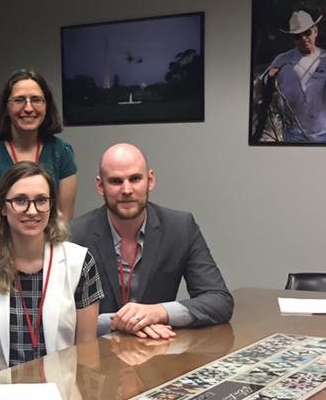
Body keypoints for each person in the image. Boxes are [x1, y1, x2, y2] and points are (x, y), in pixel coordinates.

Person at [69, 143, 234, 340]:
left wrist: (159, 312)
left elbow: (219, 300)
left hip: (157, 350)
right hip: (97, 354)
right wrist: (115, 322)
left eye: (135, 179)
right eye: (115, 181)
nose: (127, 190)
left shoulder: (180, 228)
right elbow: (58, 319)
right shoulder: (74, 236)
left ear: (150, 180)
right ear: (100, 186)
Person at [0, 162, 102, 375]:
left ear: (51, 206)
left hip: (62, 387)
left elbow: (85, 348)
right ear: (2, 207)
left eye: (41, 200)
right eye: (20, 200)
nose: (32, 211)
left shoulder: (79, 263)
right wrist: (7, 390)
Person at [0, 69, 78, 262]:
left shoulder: (61, 152)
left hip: (40, 260)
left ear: (46, 105)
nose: (28, 108)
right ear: (6, 107)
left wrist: (43, 266)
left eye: (36, 100)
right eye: (19, 100)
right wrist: (1, 266)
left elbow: (63, 220)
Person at [260, 10, 326, 143]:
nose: (303, 38)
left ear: (315, 31)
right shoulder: (282, 59)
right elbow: (261, 84)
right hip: (294, 134)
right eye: (298, 36)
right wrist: (270, 78)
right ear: (293, 38)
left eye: (307, 33)